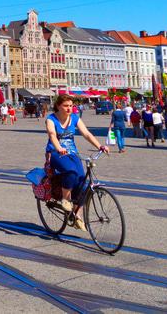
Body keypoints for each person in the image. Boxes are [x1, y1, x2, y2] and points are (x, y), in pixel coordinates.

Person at [45, 94, 107, 231]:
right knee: (71, 172)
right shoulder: (51, 119)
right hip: (56, 154)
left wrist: (100, 146)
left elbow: (86, 134)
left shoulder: (74, 118)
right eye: (66, 106)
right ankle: (65, 201)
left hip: (72, 154)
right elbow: (52, 135)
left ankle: (76, 215)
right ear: (58, 106)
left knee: (82, 182)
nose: (69, 108)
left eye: (71, 106)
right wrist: (58, 148)